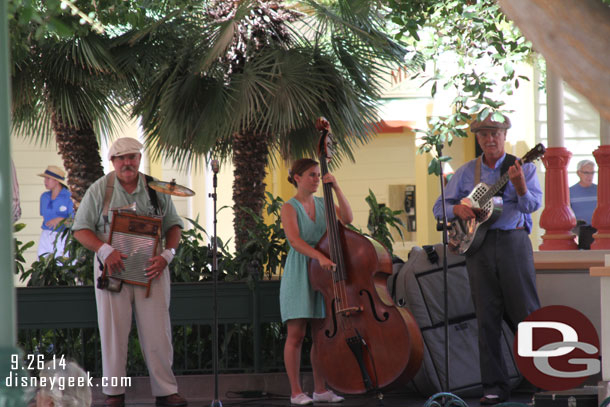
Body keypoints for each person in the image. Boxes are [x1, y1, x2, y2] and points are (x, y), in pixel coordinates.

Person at [433, 114, 542, 405]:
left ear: (505, 134)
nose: (489, 139)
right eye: (483, 134)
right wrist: (457, 209)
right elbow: (438, 206)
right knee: (486, 319)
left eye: (495, 133)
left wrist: (519, 186)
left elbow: (532, 205)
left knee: (527, 315)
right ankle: (493, 387)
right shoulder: (468, 171)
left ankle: (539, 382)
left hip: (513, 242)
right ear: (477, 138)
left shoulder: (524, 166)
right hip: (477, 248)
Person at [72, 137, 187, 407]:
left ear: (139, 159)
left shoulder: (156, 189)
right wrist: (104, 250)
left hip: (152, 269)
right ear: (112, 162)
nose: (128, 162)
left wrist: (167, 255)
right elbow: (81, 229)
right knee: (113, 332)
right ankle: (114, 394)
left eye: (133, 156)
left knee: (159, 332)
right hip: (113, 270)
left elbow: (173, 226)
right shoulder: (100, 189)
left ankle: (166, 391)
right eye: (122, 158)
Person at [280, 158, 352, 405]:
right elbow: (295, 241)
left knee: (321, 334)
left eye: (318, 175)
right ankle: (295, 392)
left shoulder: (324, 203)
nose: (316, 179)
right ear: (297, 178)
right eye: (311, 175)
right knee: (296, 334)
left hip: (321, 270)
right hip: (301, 268)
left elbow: (349, 219)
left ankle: (321, 389)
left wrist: (337, 187)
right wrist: (319, 256)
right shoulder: (289, 207)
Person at [37, 165, 74, 258]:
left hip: (63, 236)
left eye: (48, 178)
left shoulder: (69, 197)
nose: (45, 181)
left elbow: (75, 222)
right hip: (46, 234)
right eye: (45, 178)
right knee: (43, 264)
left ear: (57, 181)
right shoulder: (44, 197)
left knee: (62, 264)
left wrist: (61, 220)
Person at [569, 159, 597, 226]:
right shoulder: (570, 192)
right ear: (578, 173)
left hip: (598, 230)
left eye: (592, 173)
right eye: (586, 173)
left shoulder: (601, 191)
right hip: (578, 230)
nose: (589, 176)